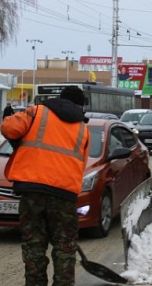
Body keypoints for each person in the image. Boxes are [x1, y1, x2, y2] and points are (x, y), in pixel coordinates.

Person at [1, 86, 90, 286]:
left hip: (32, 192)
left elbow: (9, 129)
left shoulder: (36, 112)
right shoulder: (83, 130)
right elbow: (80, 165)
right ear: (80, 105)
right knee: (64, 249)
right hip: (64, 195)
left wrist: (8, 117)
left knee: (34, 247)